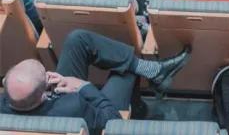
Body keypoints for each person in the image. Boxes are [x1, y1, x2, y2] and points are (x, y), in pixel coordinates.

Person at [0, 30, 190, 134]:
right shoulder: (74, 106)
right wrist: (84, 87)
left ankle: (153, 72)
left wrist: (54, 87)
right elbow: (112, 121)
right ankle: (140, 106)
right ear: (42, 94)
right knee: (123, 71)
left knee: (77, 40)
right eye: (47, 74)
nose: (51, 73)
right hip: (86, 115)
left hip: (49, 104)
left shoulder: (7, 103)